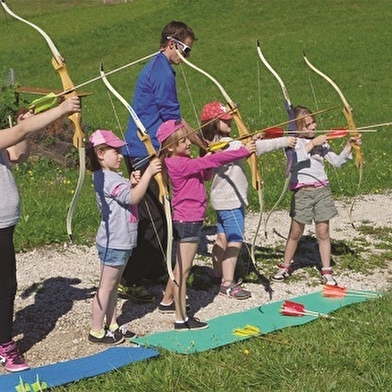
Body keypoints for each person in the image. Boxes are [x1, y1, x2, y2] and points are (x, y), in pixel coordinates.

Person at [120, 21, 205, 300]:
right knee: (155, 217)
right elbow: (172, 118)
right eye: (185, 50)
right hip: (145, 151)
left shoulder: (161, 68)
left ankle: (154, 269)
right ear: (172, 44)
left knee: (163, 213)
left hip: (148, 149)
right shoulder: (162, 72)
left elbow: (172, 117)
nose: (186, 57)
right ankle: (130, 277)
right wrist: (201, 143)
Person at [0, 96, 80, 373]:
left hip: (4, 222)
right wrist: (62, 109)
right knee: (5, 285)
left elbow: (17, 154)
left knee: (6, 284)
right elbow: (18, 133)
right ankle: (5, 346)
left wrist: (26, 127)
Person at [157, 119, 256, 330]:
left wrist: (207, 156)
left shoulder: (181, 160)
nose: (188, 143)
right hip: (188, 221)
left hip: (188, 219)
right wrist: (242, 151)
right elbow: (211, 163)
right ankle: (181, 319)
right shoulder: (178, 163)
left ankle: (166, 302)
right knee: (184, 271)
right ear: (171, 147)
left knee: (179, 267)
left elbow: (206, 173)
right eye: (183, 141)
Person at [200, 102, 297, 299]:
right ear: (214, 123)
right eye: (225, 119)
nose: (230, 121)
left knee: (222, 238)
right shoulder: (231, 145)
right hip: (232, 201)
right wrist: (286, 141)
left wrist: (251, 139)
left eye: (230, 118)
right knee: (235, 240)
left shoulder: (214, 144)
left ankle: (216, 273)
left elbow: (243, 145)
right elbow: (257, 148)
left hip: (221, 200)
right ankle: (227, 283)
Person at [85, 130, 161, 344]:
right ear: (100, 153)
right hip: (115, 242)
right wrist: (147, 175)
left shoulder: (107, 176)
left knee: (113, 285)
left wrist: (133, 182)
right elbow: (133, 199)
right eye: (115, 151)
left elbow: (125, 194)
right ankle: (96, 330)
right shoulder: (108, 179)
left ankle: (113, 324)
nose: (120, 155)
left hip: (118, 240)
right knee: (106, 286)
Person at [272, 105, 362, 285]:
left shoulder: (322, 143)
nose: (313, 127)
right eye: (307, 125)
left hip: (322, 191)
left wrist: (349, 146)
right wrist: (312, 143)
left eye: (313, 122)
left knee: (323, 232)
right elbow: (293, 160)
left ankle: (326, 270)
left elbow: (336, 162)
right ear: (297, 129)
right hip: (302, 193)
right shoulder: (292, 143)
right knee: (295, 233)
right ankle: (285, 265)